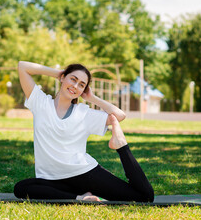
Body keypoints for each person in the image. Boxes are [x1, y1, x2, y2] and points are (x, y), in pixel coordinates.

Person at [14, 61, 154, 202]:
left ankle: (121, 146)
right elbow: (23, 67)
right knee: (21, 188)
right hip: (52, 178)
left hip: (84, 174)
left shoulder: (83, 113)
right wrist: (58, 73)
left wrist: (92, 98)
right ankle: (80, 198)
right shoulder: (40, 103)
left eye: (81, 85)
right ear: (63, 78)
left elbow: (119, 115)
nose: (75, 86)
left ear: (83, 90)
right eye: (73, 79)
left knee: (144, 196)